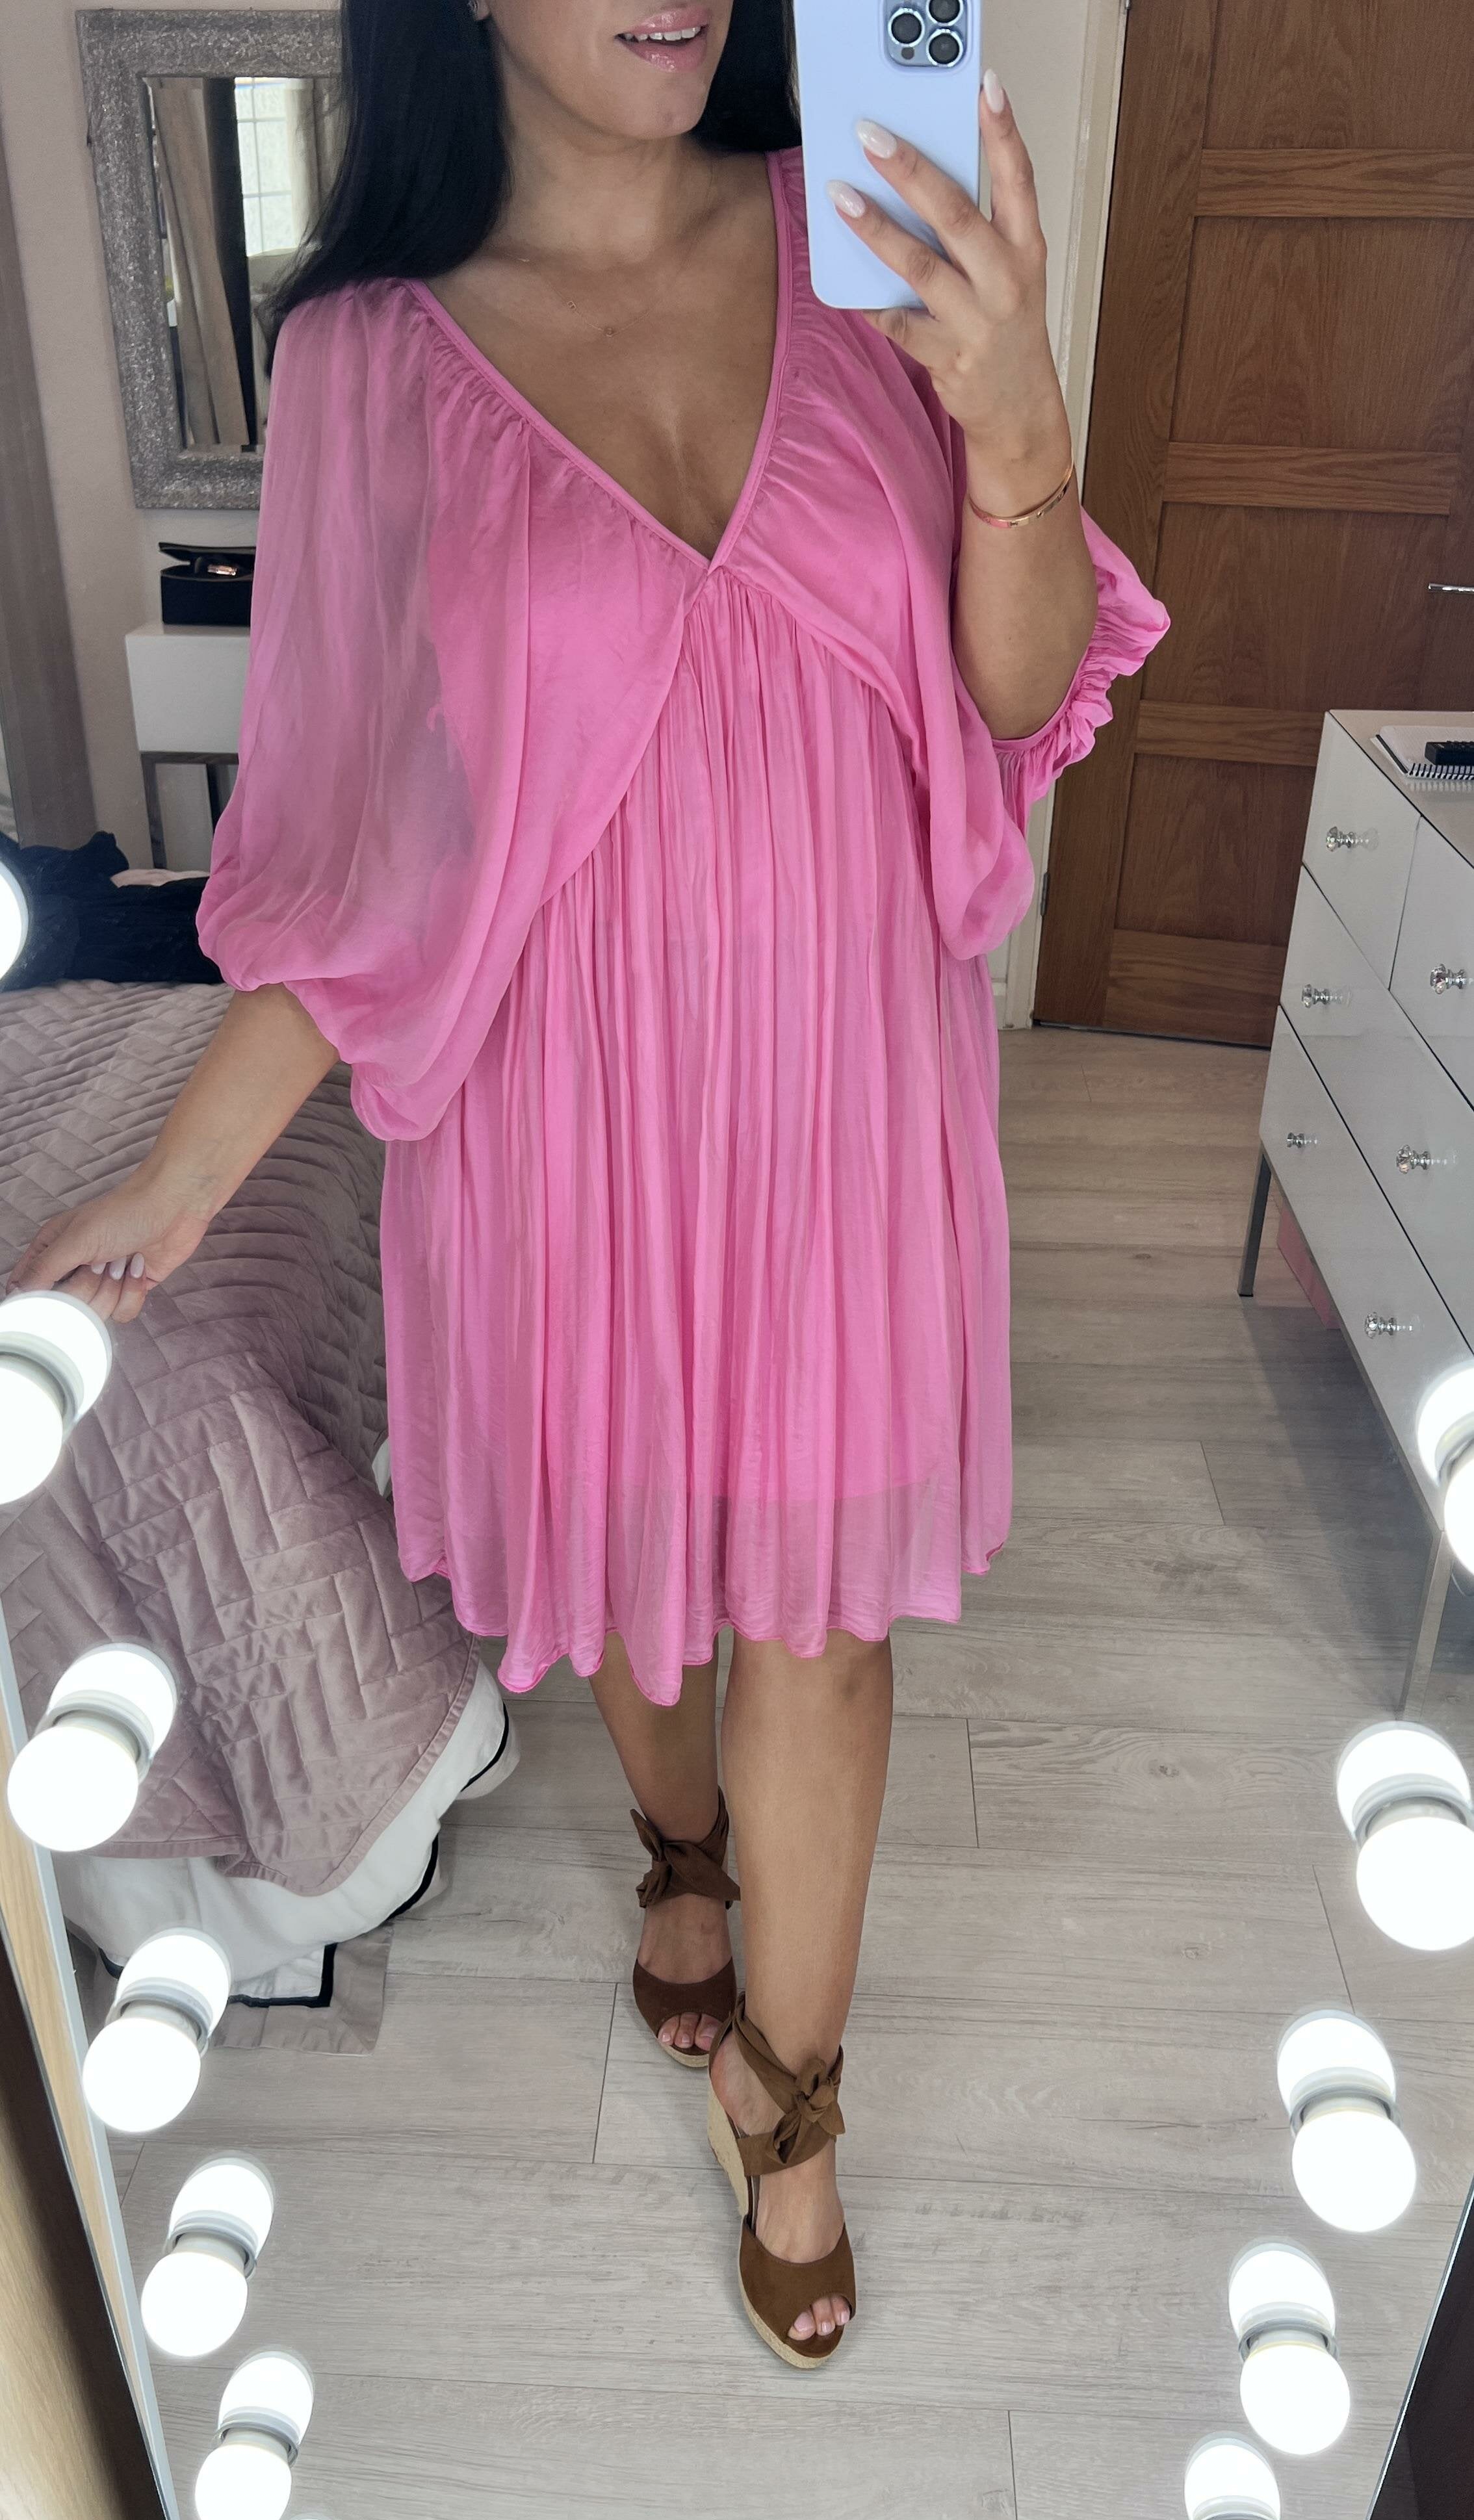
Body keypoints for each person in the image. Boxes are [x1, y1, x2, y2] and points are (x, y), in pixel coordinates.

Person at [8, 0, 1167, 2366]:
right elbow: (345, 854)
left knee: (822, 1628)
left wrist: (1018, 418)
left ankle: (793, 2101)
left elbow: (1013, 696)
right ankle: (676, 1851)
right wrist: (178, 1177)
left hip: (848, 1106)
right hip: (558, 1129)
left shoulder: (865, 241)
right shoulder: (361, 361)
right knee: (644, 1592)